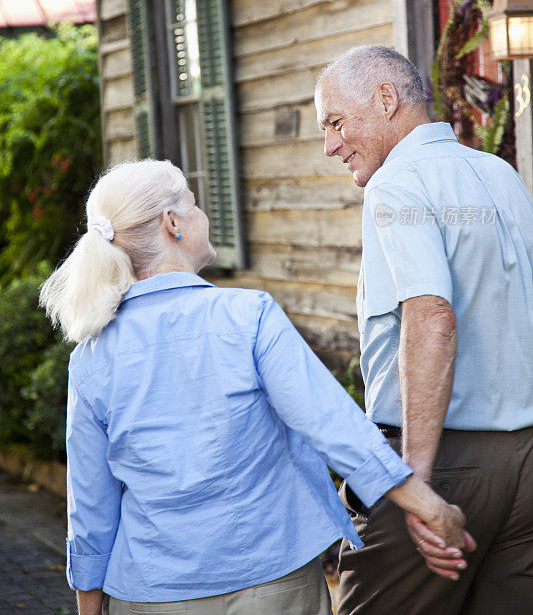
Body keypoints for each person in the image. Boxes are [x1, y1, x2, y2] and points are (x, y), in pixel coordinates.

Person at [40, 159, 470, 615]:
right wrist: (427, 504)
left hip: (149, 593)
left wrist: (88, 608)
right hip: (270, 583)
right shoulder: (247, 316)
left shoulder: (89, 357)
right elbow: (330, 423)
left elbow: (89, 501)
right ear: (172, 224)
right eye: (194, 203)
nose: (202, 214)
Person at [315, 45, 533, 615]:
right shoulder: (501, 174)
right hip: (526, 466)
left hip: (440, 466)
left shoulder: (395, 184)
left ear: (386, 99)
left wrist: (415, 485)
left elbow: (432, 318)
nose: (330, 145)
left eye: (336, 122)